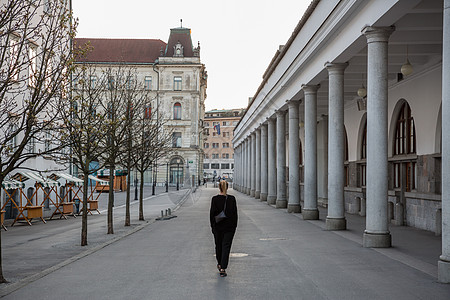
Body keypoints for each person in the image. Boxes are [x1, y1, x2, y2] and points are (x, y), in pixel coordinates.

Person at [210, 180, 238, 277]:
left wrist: (213, 227)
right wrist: (234, 226)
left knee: (218, 245)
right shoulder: (232, 199)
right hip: (229, 228)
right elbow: (235, 214)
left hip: (218, 227)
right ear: (228, 187)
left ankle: (219, 263)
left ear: (219, 188)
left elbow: (212, 214)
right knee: (226, 247)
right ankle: (223, 267)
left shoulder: (215, 199)